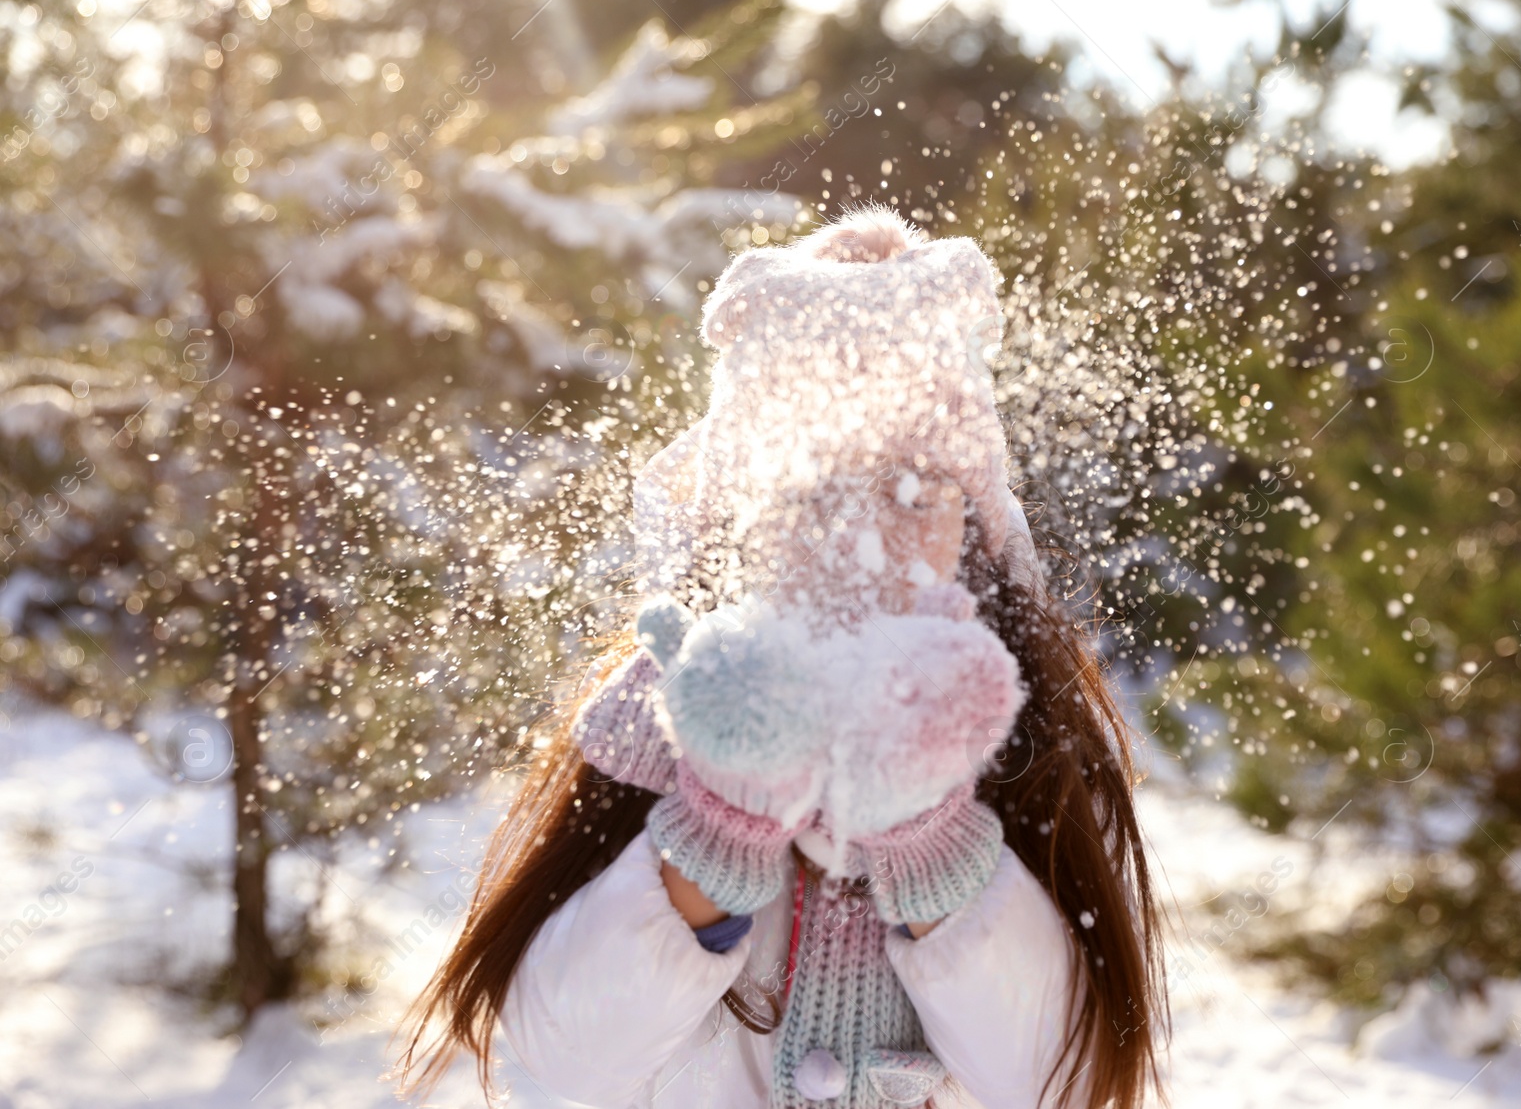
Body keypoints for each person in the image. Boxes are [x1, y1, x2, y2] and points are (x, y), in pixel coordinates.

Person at [397, 208, 1167, 1109]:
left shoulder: (1031, 746)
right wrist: (717, 831)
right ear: (739, 522)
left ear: (974, 523)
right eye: (810, 495)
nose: (861, 541)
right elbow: (562, 1061)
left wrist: (931, 838)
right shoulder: (661, 713)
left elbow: (1061, 1082)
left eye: (912, 491)